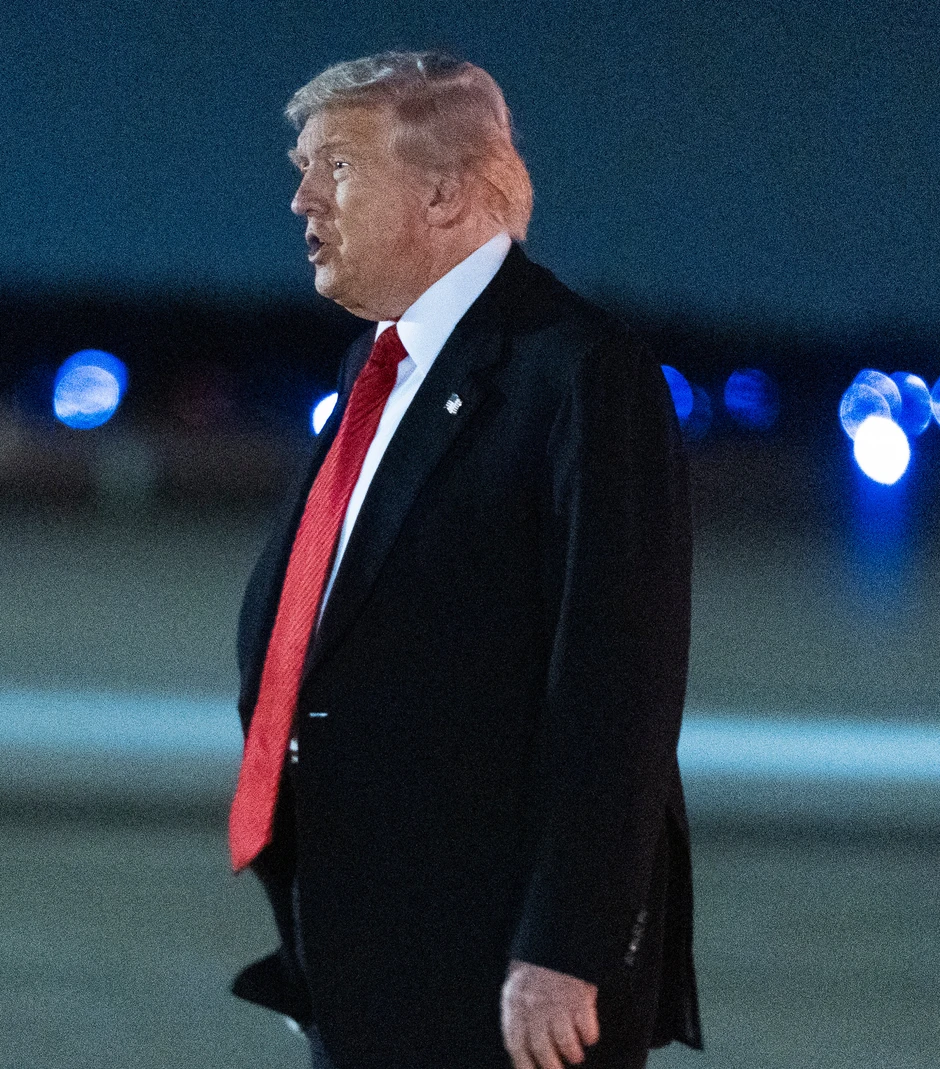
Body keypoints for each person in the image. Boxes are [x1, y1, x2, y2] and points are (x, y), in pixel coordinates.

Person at [228, 51, 701, 1069]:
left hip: (500, 970)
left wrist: (563, 949)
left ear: (442, 190)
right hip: (369, 943)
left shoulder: (578, 374)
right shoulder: (377, 364)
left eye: (337, 168)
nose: (303, 197)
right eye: (303, 166)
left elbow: (617, 685)